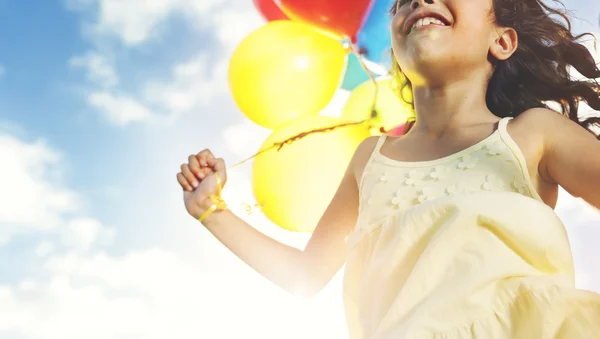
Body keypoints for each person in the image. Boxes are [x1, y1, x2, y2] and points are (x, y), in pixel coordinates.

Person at [177, 0, 600, 337]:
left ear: (502, 41)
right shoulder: (370, 157)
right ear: (396, 53)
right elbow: (304, 276)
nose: (416, 1)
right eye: (401, 2)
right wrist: (211, 210)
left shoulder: (532, 133)